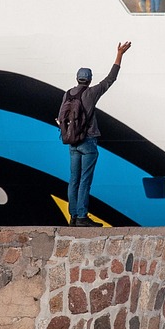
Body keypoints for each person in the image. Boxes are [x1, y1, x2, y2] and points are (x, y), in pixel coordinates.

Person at [60, 42, 131, 226]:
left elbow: (61, 117)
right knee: (85, 180)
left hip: (72, 142)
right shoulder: (91, 93)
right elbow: (110, 79)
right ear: (89, 80)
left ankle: (73, 216)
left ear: (77, 79)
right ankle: (83, 217)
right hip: (88, 141)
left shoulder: (68, 94)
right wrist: (119, 54)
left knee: (73, 180)